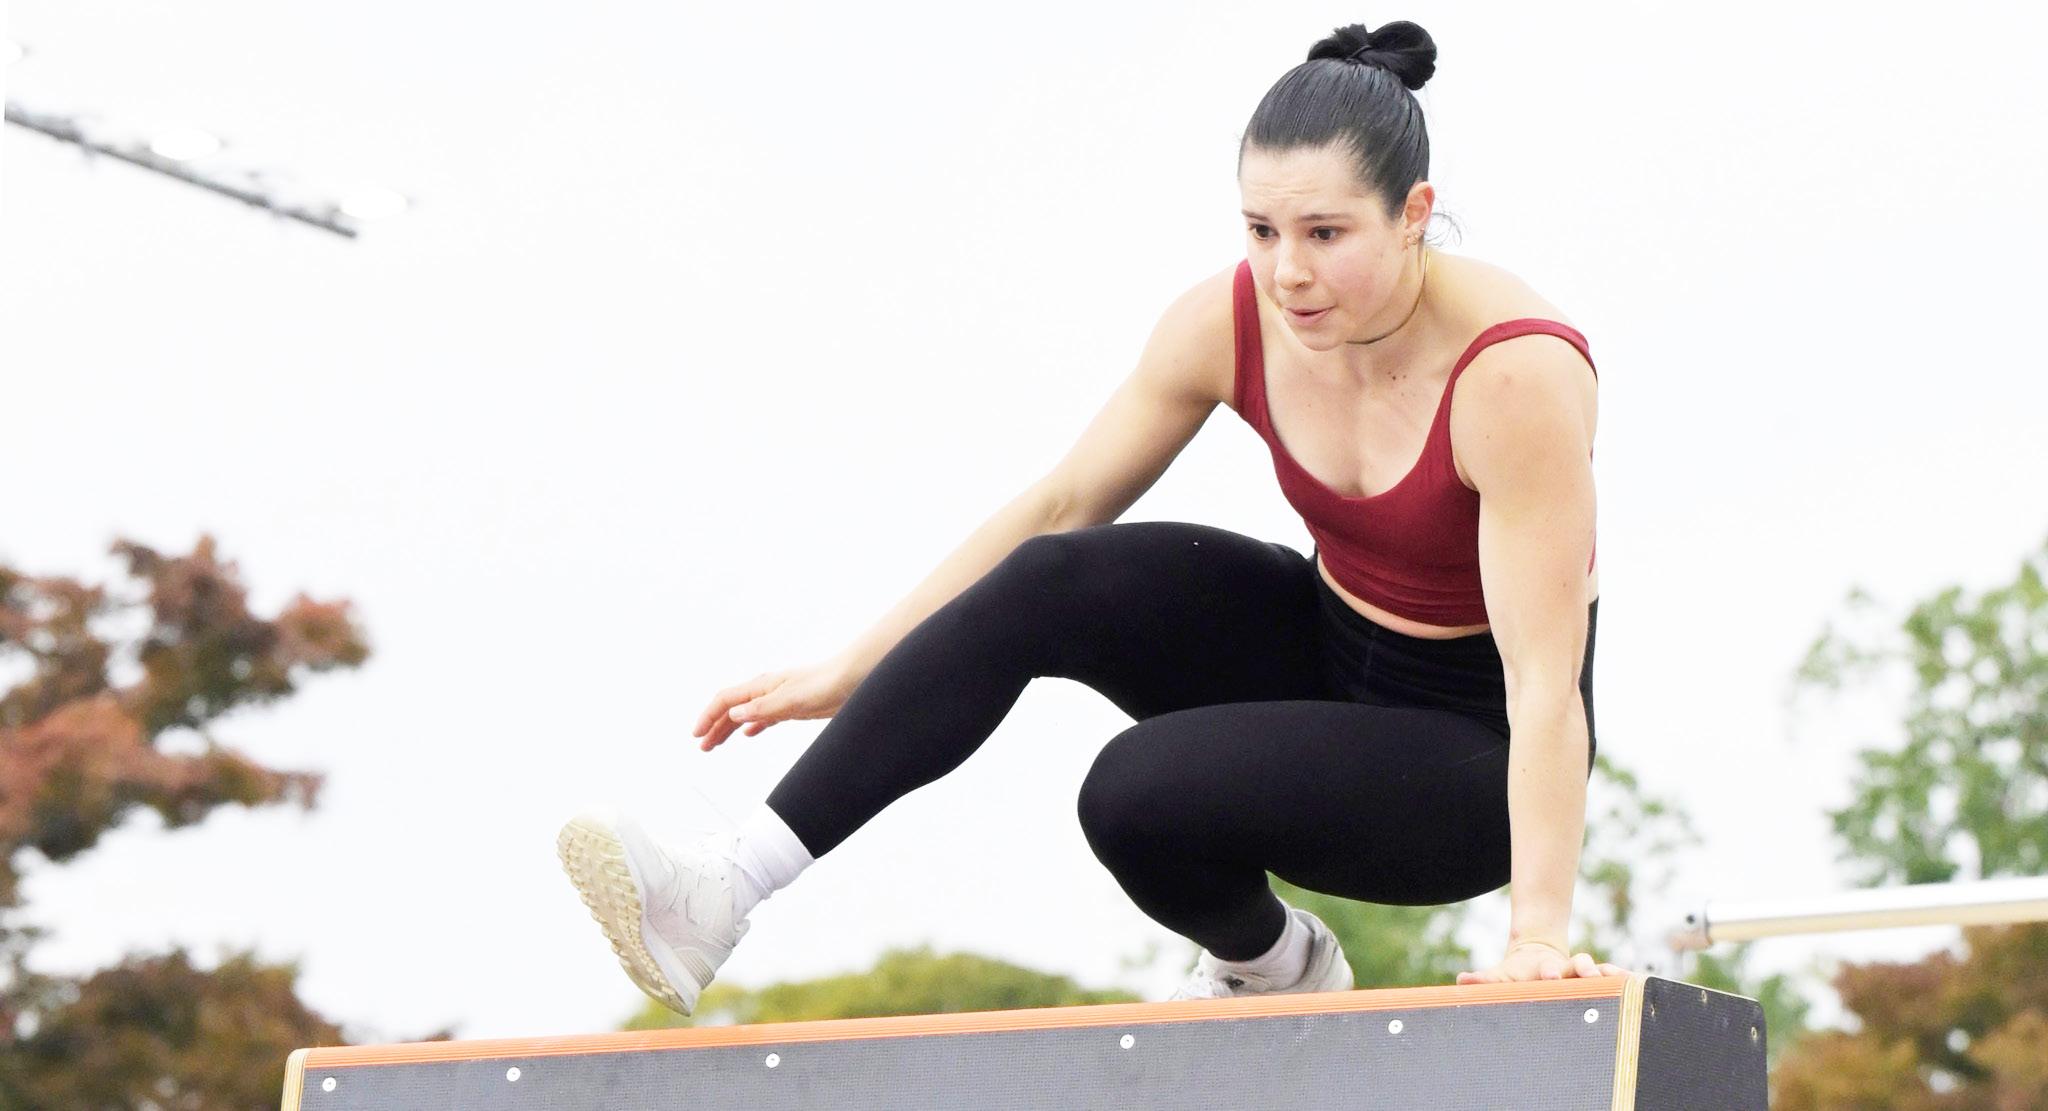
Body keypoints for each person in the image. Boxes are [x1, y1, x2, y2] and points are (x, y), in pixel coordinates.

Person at [558, 18, 1627, 1017]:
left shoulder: (1514, 375)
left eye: (1324, 232)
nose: (1287, 272)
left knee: (1132, 793)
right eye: (1260, 230)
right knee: (1052, 574)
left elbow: (1542, 682)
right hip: (1328, 646)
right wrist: (852, 669)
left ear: (1413, 213)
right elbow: (1061, 502)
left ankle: (1269, 964)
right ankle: (724, 892)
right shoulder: (1231, 318)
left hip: (1473, 762)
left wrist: (1537, 936)